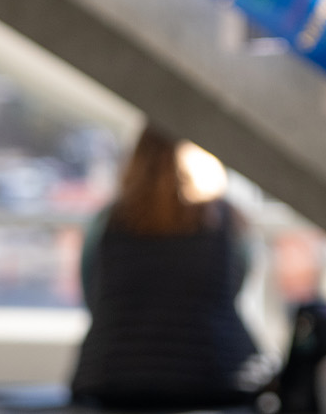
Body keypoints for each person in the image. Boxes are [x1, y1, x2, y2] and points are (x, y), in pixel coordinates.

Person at [70, 126, 260, 410]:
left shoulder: (107, 221)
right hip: (214, 377)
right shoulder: (226, 220)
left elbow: (92, 295)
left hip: (110, 378)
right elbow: (235, 288)